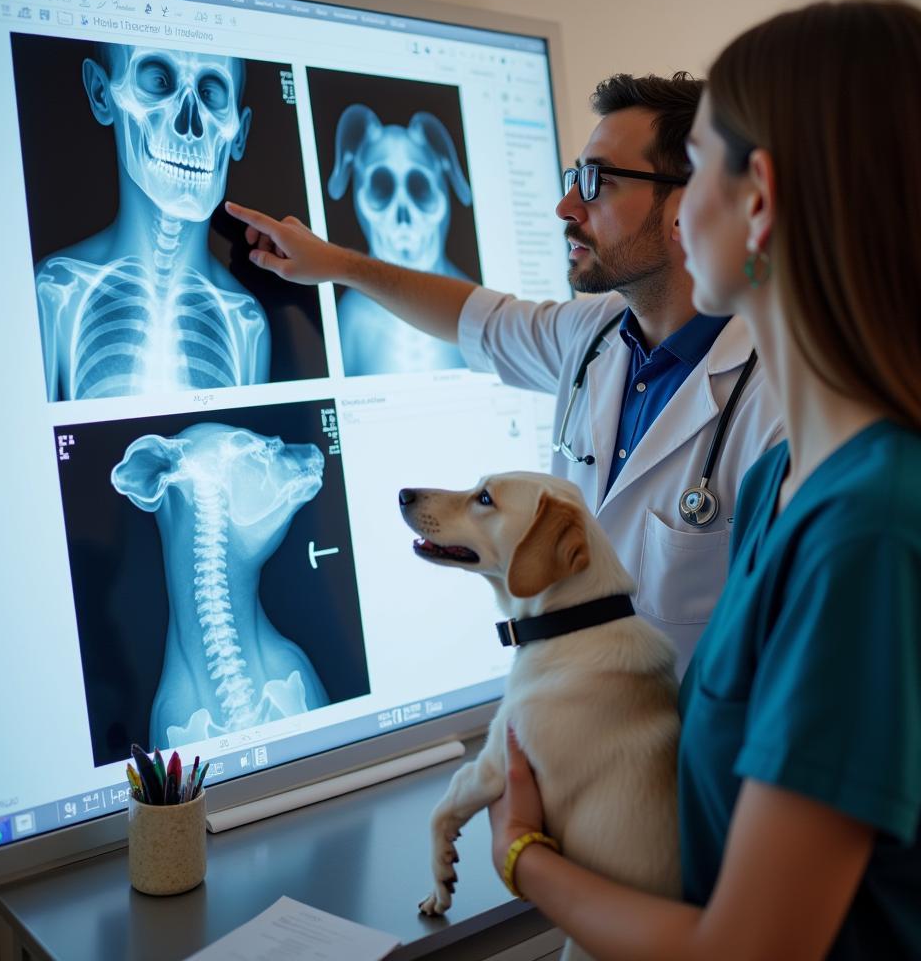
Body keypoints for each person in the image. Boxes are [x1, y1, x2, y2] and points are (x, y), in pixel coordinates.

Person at [486, 0, 921, 960]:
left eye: (702, 172)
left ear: (759, 197)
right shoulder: (788, 477)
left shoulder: (882, 530)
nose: (683, 210)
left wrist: (523, 856)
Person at [226, 73, 782, 677]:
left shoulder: (775, 405)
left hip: (685, 760)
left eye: (597, 182)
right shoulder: (591, 335)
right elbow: (475, 318)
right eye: (574, 180)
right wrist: (337, 265)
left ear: (688, 204)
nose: (566, 207)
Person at [36, 44, 269, 401]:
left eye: (210, 94)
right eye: (159, 82)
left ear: (238, 133)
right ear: (102, 94)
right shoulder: (56, 292)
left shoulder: (246, 322)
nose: (188, 126)